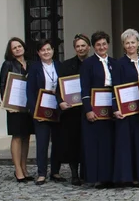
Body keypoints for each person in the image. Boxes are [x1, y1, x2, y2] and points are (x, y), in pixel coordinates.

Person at [112, 29, 139, 186]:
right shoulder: (118, 64)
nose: (130, 45)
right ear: (123, 45)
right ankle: (129, 176)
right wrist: (116, 108)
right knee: (128, 143)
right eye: (127, 43)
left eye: (133, 42)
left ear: (138, 43)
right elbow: (115, 86)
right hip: (127, 110)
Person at [80, 31, 115, 188]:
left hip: (111, 109)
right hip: (94, 109)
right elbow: (84, 88)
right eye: (98, 44)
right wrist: (88, 109)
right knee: (96, 145)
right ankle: (98, 177)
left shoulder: (115, 63)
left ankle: (110, 176)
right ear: (93, 47)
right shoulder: (88, 64)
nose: (102, 47)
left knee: (110, 144)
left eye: (104, 44)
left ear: (108, 45)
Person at [26, 38, 62, 185]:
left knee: (57, 142)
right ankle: (41, 173)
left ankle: (55, 171)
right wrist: (35, 111)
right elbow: (30, 91)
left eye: (48, 49)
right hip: (41, 109)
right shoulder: (34, 68)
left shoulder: (59, 66)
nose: (46, 52)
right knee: (42, 142)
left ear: (53, 50)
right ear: (38, 53)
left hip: (57, 108)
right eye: (43, 50)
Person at [57, 34, 91, 186]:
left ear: (88, 47)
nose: (81, 48)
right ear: (74, 48)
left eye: (83, 45)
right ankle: (74, 174)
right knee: (73, 143)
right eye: (78, 46)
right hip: (72, 111)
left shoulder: (94, 63)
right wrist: (61, 102)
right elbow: (59, 88)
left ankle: (87, 172)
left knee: (88, 142)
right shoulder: (66, 65)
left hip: (90, 108)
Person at [0, 37, 31, 183]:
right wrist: (7, 105)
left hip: (28, 106)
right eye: (14, 48)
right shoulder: (8, 64)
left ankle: (24, 168)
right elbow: (3, 84)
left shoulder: (30, 63)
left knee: (26, 137)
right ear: (10, 51)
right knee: (17, 136)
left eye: (19, 46)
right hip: (14, 107)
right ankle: (18, 170)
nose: (18, 49)